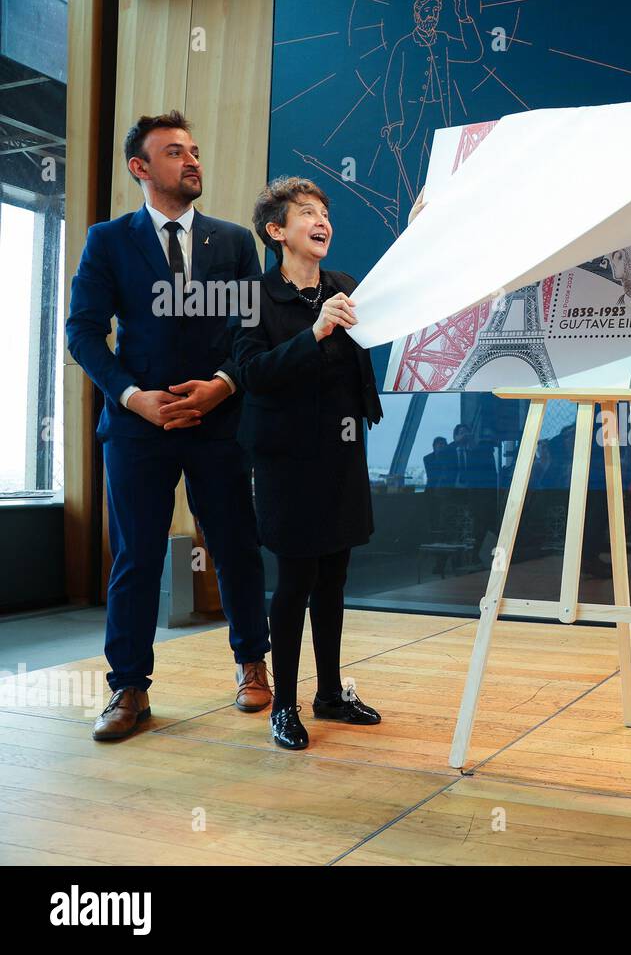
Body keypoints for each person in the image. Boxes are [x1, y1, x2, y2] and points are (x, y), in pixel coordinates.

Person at [67, 111, 272, 741]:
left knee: (236, 546)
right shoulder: (108, 241)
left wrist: (222, 386)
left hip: (218, 422)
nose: (192, 161)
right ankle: (129, 690)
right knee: (136, 556)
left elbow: (250, 331)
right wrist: (133, 397)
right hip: (138, 428)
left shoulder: (236, 242)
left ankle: (252, 665)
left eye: (195, 151)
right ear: (140, 167)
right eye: (175, 152)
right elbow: (82, 332)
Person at [234, 176, 399, 750]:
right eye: (307, 212)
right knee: (295, 582)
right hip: (287, 459)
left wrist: (423, 225)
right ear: (277, 231)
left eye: (324, 211)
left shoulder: (344, 285)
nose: (322, 220)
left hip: (341, 452)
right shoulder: (253, 296)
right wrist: (318, 328)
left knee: (334, 580)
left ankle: (329, 692)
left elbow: (398, 294)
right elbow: (253, 373)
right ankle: (285, 704)